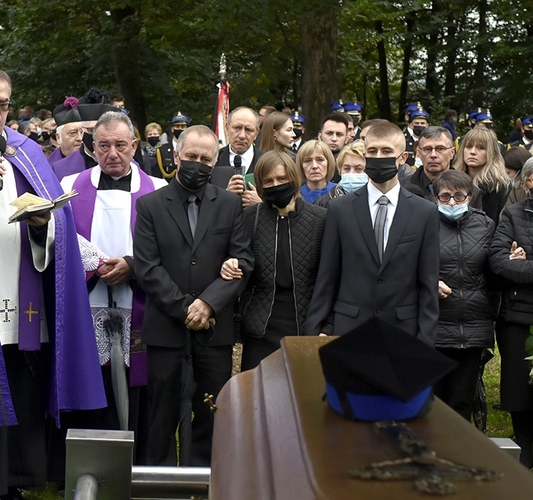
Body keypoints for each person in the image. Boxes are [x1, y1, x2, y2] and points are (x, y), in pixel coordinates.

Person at [0, 66, 105, 497]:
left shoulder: (25, 150)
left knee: (21, 388)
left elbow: (59, 229)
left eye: (4, 103)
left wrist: (44, 224)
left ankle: (16, 482)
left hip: (24, 297)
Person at [133, 125, 253, 467]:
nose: (197, 164)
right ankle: (159, 484)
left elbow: (243, 259)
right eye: (191, 157)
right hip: (166, 331)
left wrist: (209, 303)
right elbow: (147, 267)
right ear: (176, 156)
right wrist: (188, 308)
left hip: (214, 331)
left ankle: (206, 482)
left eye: (205, 158)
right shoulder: (150, 205)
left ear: (215, 162)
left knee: (211, 413)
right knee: (162, 416)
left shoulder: (230, 205)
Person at [61, 111, 166, 463]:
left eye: (121, 145)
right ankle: (89, 464)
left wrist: (132, 266)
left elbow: (170, 249)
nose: (113, 154)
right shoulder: (70, 188)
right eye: (103, 146)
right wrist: (94, 263)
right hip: (87, 301)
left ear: (134, 146)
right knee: (92, 383)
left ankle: (138, 464)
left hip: (139, 303)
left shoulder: (159, 190)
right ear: (92, 148)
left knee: (136, 387)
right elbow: (59, 241)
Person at [303, 121, 439, 346]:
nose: (378, 157)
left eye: (386, 151)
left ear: (403, 158)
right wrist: (315, 328)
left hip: (403, 332)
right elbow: (327, 276)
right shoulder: (340, 209)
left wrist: (424, 343)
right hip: (349, 329)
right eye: (372, 151)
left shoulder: (424, 212)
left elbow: (428, 285)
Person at [221, 150, 325, 370]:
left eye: (281, 179)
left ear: (294, 179)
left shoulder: (320, 220)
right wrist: (230, 264)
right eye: (268, 181)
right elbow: (237, 258)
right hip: (260, 326)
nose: (275, 185)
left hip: (305, 325)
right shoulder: (249, 218)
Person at [431, 170, 496, 422]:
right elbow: (406, 266)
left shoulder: (486, 225)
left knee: (461, 400)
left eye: (459, 196)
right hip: (435, 324)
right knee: (432, 401)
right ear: (435, 198)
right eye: (445, 196)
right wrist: (428, 283)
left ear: (470, 196)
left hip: (472, 325)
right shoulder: (424, 224)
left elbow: (495, 268)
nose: (452, 202)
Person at [488, 174, 533, 468]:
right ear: (529, 182)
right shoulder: (515, 214)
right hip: (519, 315)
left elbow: (514, 264)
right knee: (520, 390)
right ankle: (525, 449)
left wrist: (524, 264)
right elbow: (498, 260)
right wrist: (512, 263)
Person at [51, 88, 118, 180]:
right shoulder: (60, 169)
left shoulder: (128, 165)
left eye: (102, 130)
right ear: (83, 131)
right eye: (91, 130)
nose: (97, 136)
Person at [453, 127, 512, 224]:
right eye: (468, 146)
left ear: (491, 152)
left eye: (481, 148)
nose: (472, 152)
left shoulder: (500, 186)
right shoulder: (452, 180)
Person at [222, 107, 265, 207]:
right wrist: (225, 194)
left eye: (248, 130)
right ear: (227, 128)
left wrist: (260, 204)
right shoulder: (214, 160)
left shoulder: (267, 162)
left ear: (256, 133)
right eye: (237, 128)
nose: (242, 135)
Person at [402, 126, 455, 201]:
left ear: (452, 153)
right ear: (419, 153)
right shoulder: (402, 189)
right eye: (427, 149)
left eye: (440, 149)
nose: (433, 155)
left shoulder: (468, 188)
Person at [314, 140, 367, 207]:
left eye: (358, 169)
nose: (351, 173)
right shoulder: (323, 203)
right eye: (347, 168)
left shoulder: (378, 201)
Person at [155, 112, 190, 179]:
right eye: (177, 126)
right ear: (172, 129)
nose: (180, 129)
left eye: (183, 127)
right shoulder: (162, 150)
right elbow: (157, 176)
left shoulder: (192, 149)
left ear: (187, 129)